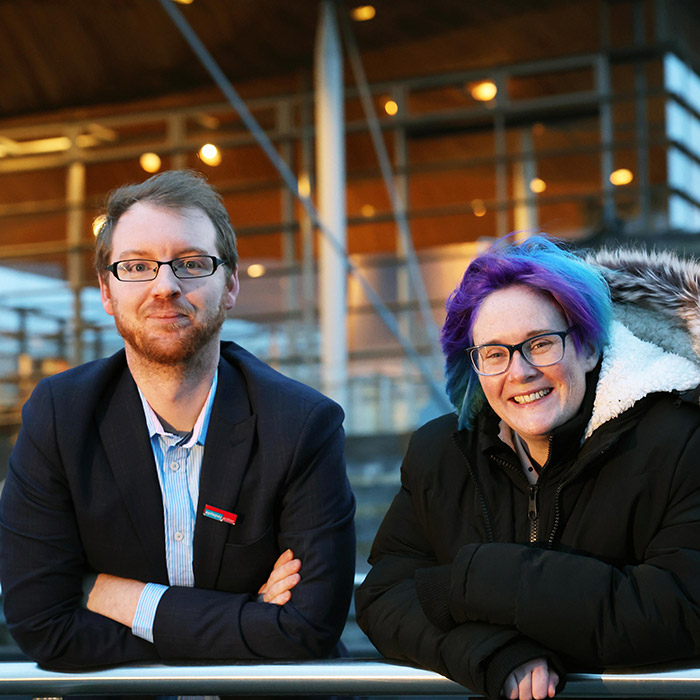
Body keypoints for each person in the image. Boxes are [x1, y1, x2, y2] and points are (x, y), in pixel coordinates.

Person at [0, 169, 356, 670]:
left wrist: (115, 597)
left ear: (230, 284)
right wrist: (249, 618)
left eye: (190, 263)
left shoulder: (301, 424)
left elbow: (308, 630)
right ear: (106, 291)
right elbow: (43, 627)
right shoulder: (60, 416)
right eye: (137, 266)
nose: (164, 286)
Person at [355, 235, 700, 700]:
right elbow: (384, 598)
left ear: (589, 348)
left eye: (540, 344)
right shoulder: (440, 451)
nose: (519, 373)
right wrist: (489, 651)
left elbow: (679, 609)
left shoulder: (681, 441)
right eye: (494, 353)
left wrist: (477, 578)